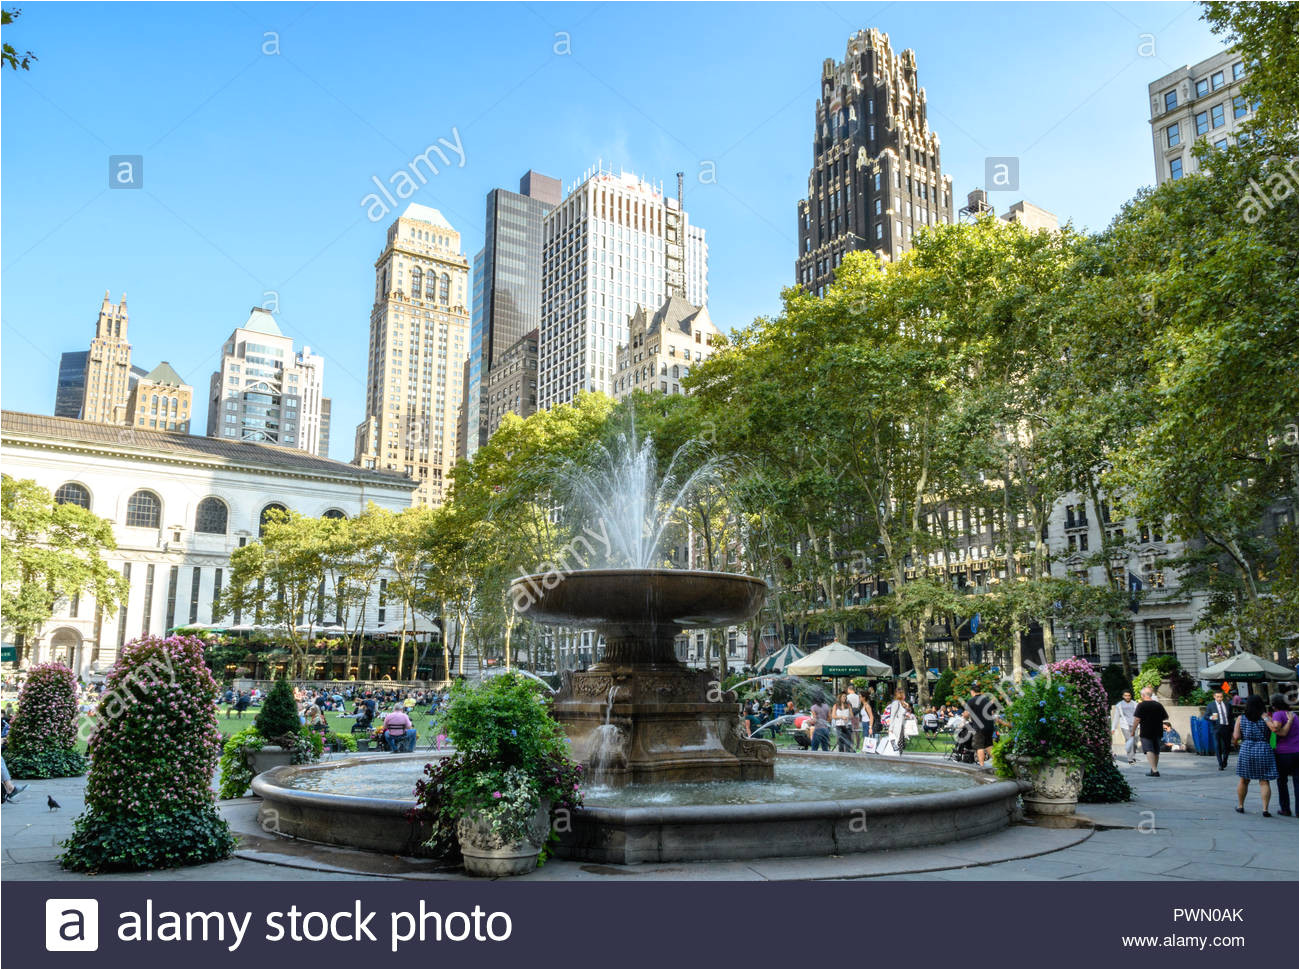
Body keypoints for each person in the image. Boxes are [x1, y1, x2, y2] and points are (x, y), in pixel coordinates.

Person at [1233, 693, 1277, 815]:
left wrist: (1236, 743)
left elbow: (1236, 736)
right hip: (1263, 748)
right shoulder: (1265, 717)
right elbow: (1274, 728)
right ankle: (1265, 809)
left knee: (1244, 780)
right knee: (1264, 781)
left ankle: (1241, 805)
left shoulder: (1241, 718)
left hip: (1247, 748)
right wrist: (1266, 717)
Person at [1268, 694, 1297, 817]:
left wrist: (1266, 719)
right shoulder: (1294, 715)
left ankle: (1285, 808)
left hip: (1283, 752)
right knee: (1297, 781)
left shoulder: (1278, 714)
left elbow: (1276, 728)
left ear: (1274, 705)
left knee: (1282, 781)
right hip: (1297, 751)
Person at [1133, 686, 1169, 777]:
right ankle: (1154, 769)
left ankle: (1154, 770)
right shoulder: (1158, 705)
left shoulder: (1141, 705)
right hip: (1158, 730)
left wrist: (1133, 730)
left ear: (1143, 695)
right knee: (1156, 750)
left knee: (1149, 749)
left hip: (1146, 730)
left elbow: (1137, 719)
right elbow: (1166, 717)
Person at [963, 687, 996, 768]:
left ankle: (982, 766)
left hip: (979, 727)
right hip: (989, 726)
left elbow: (966, 714)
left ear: (972, 691)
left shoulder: (971, 701)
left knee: (979, 746)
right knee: (989, 745)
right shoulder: (986, 700)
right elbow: (992, 711)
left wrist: (965, 716)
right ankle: (998, 764)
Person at [1112, 690, 1139, 765]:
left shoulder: (1135, 704)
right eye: (1125, 695)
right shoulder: (1119, 705)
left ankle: (1133, 755)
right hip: (1125, 725)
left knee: (1135, 741)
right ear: (1123, 696)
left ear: (1131, 696)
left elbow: (1139, 716)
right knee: (1129, 740)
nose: (1127, 697)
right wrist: (1113, 728)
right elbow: (1116, 717)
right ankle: (1130, 759)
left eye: (1129, 695)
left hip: (1135, 725)